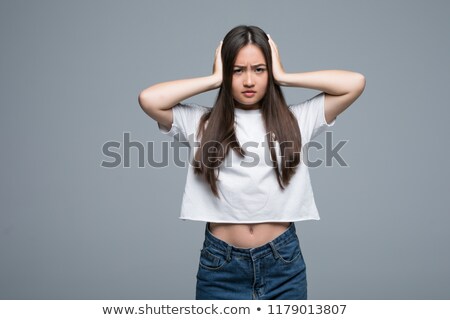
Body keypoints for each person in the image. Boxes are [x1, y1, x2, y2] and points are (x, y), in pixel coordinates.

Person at [138, 25, 365, 300]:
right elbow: (149, 99)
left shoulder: (298, 119)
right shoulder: (200, 122)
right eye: (237, 70)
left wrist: (285, 76)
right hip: (220, 266)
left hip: (283, 264)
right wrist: (213, 79)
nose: (249, 81)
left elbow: (355, 83)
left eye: (259, 69)